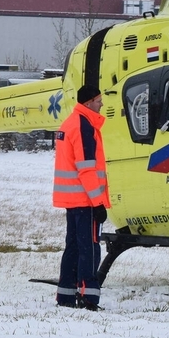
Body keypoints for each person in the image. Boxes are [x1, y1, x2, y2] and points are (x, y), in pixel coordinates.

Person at [52, 84, 110, 311]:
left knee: (74, 247)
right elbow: (86, 169)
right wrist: (98, 202)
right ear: (88, 103)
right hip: (86, 200)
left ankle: (66, 295)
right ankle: (88, 297)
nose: (102, 104)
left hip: (72, 199)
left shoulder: (70, 123)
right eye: (98, 100)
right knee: (90, 248)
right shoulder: (84, 126)